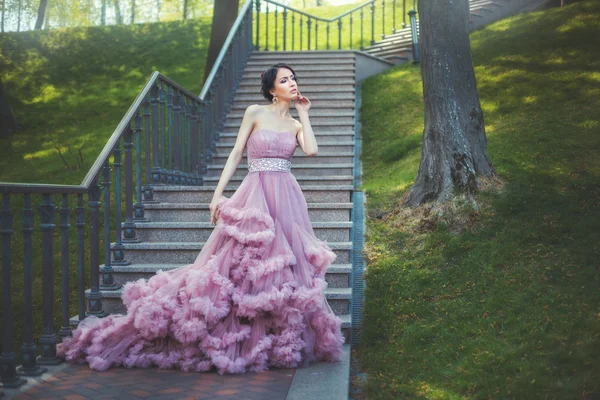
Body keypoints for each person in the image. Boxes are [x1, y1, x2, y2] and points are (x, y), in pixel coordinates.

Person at [57, 63, 346, 375]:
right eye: (284, 79)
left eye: (293, 78)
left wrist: (304, 114)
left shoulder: (295, 124)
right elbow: (236, 153)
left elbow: (312, 151)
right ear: (271, 89)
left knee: (282, 267)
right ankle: (236, 329)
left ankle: (272, 333)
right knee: (241, 261)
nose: (292, 83)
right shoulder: (254, 112)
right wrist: (218, 195)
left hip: (287, 197)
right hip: (255, 191)